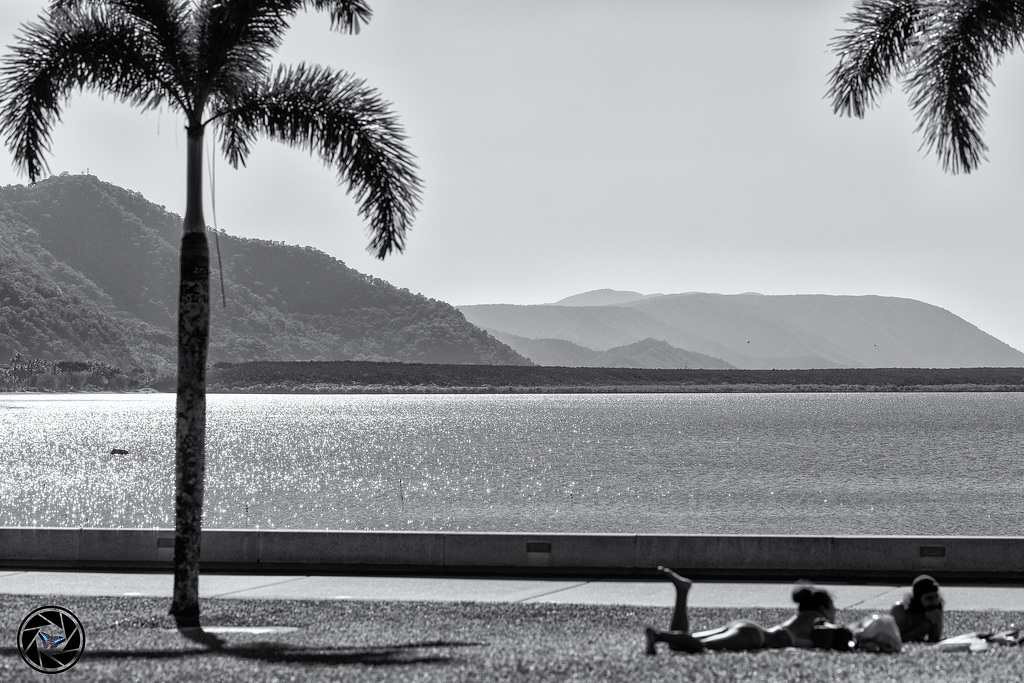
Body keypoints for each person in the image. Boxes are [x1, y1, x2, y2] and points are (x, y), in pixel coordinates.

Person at [644, 566, 839, 654]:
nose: (835, 614)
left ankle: (682, 591)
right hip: (754, 637)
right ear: (823, 608)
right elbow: (833, 634)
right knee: (699, 647)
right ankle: (658, 636)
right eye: (833, 609)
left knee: (683, 645)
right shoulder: (816, 620)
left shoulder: (802, 617)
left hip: (748, 628)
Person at [890, 574, 943, 643]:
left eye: (936, 597)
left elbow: (934, 639)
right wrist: (925, 625)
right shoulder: (900, 609)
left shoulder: (935, 606)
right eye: (929, 598)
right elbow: (896, 640)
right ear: (917, 599)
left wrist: (935, 622)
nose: (934, 602)